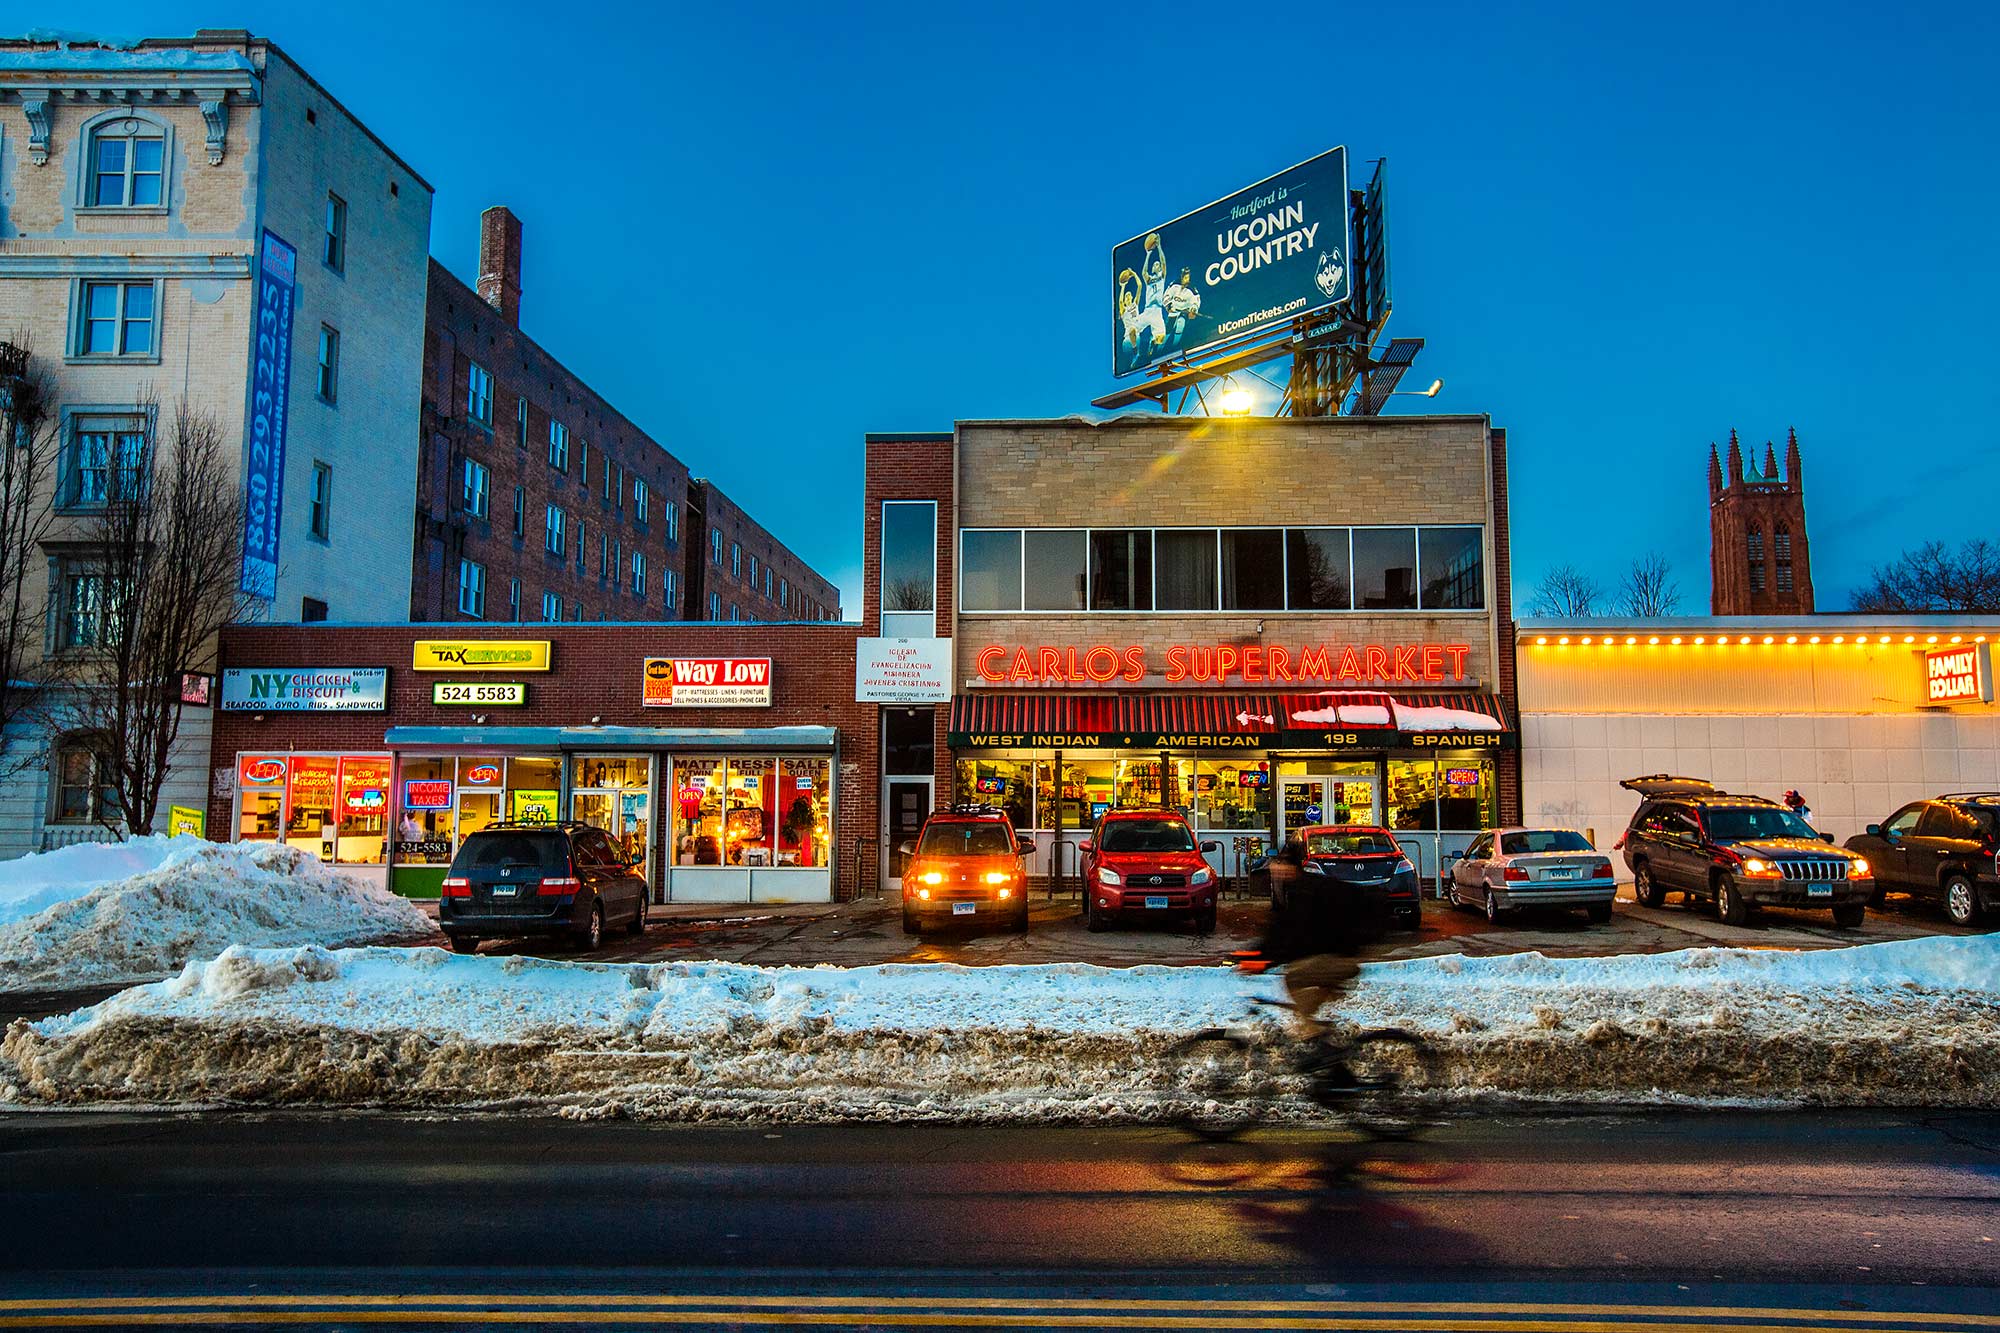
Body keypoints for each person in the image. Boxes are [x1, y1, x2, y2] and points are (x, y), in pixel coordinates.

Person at [1240, 837, 1390, 1045]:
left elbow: (1292, 936)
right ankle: (1319, 1036)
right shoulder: (1297, 890)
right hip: (1339, 952)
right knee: (1299, 980)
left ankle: (1317, 1035)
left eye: (1281, 865)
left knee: (1293, 978)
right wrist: (1256, 955)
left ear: (1292, 867)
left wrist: (1263, 960)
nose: (1275, 870)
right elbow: (1278, 932)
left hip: (1344, 954)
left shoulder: (1304, 892)